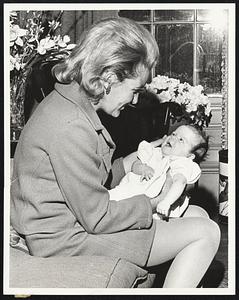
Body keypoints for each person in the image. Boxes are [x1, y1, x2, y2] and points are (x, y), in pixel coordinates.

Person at [10, 17, 220, 288]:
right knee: (206, 232)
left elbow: (80, 184)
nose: (134, 101)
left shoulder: (71, 106)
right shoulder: (71, 125)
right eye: (134, 90)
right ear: (108, 78)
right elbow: (96, 216)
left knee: (199, 215)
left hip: (76, 225)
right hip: (65, 239)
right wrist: (153, 202)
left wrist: (126, 165)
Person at [109, 125, 208, 220]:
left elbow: (180, 182)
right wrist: (143, 168)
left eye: (181, 140)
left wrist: (167, 202)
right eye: (173, 134)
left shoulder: (180, 162)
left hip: (155, 207)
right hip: (127, 190)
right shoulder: (155, 152)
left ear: (190, 156)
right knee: (105, 202)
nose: (173, 138)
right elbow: (134, 165)